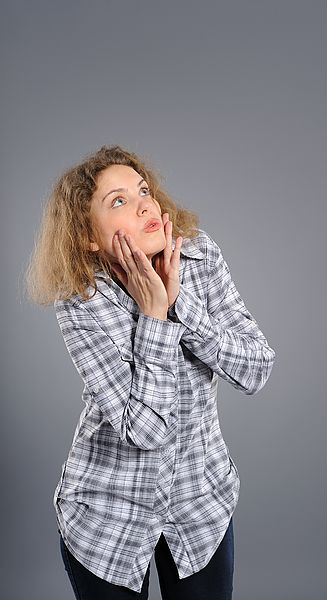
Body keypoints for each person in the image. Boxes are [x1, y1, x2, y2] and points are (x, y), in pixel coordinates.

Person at [25, 145, 276, 599]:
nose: (145, 204)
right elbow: (146, 430)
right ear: (89, 238)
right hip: (108, 515)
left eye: (143, 190)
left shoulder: (200, 257)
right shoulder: (82, 300)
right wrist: (155, 316)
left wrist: (182, 307)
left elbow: (256, 369)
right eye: (118, 201)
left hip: (200, 504)